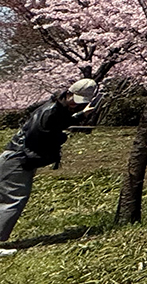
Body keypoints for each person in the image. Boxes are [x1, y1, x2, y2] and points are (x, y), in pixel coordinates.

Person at [1, 80, 99, 248]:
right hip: (19, 159)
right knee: (13, 199)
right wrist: (61, 138)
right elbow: (38, 137)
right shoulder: (51, 111)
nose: (76, 105)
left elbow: (55, 124)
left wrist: (80, 116)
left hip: (15, 157)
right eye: (75, 100)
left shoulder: (56, 108)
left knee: (7, 198)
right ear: (68, 93)